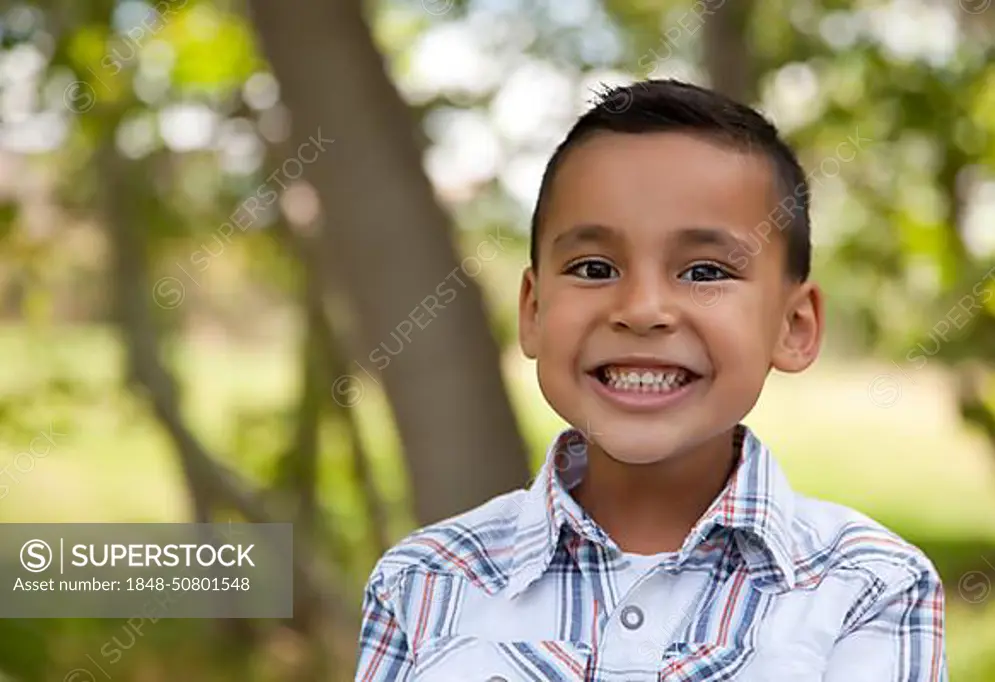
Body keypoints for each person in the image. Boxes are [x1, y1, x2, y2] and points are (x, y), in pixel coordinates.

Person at [354, 79, 947, 681]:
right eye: (594, 267)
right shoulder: (424, 582)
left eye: (705, 270)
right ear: (532, 312)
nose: (641, 309)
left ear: (793, 326)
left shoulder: (870, 587)